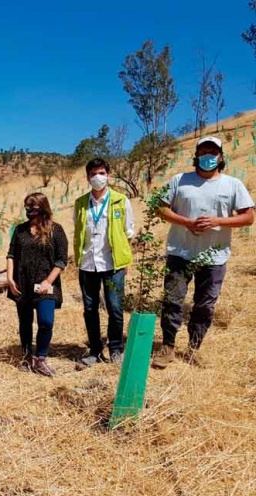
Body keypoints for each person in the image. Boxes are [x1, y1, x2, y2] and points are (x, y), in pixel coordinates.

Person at [153, 136, 255, 369]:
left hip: (214, 256)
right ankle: (168, 346)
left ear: (221, 157)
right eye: (203, 150)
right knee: (172, 300)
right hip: (180, 252)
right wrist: (186, 222)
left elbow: (249, 217)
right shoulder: (180, 180)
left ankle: (193, 347)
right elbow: (160, 207)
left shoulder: (233, 185)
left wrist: (217, 221)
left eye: (213, 151)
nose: (208, 155)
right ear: (196, 155)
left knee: (205, 304)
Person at [74, 157, 134, 368]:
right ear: (88, 177)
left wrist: (125, 260)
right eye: (93, 174)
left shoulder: (121, 200)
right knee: (90, 309)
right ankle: (95, 350)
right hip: (88, 264)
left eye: (101, 173)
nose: (97, 177)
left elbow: (128, 233)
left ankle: (116, 349)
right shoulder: (81, 203)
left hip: (113, 265)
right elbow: (79, 231)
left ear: (108, 175)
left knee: (115, 308)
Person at [7, 193, 68, 376]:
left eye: (33, 207)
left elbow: (61, 260)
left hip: (46, 284)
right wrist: (10, 279)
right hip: (22, 283)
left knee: (46, 321)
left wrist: (48, 280)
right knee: (25, 322)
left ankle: (40, 358)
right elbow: (11, 255)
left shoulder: (55, 230)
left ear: (43, 208)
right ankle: (26, 358)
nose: (29, 211)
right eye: (27, 207)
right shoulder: (20, 230)